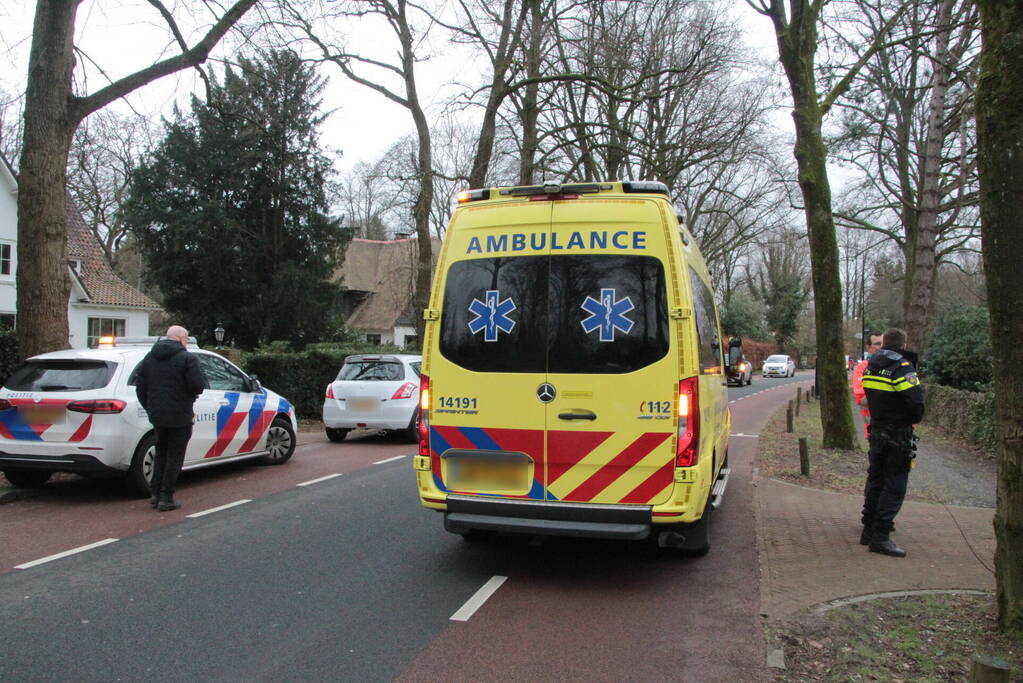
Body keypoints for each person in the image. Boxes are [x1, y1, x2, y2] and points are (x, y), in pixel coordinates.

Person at [859, 328, 924, 557]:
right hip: (898, 434)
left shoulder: (871, 365)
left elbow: (867, 397)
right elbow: (916, 404)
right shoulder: (902, 367)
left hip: (876, 431)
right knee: (894, 485)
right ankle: (881, 537)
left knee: (876, 480)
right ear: (903, 346)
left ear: (884, 343)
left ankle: (868, 529)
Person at [135, 326, 206, 511]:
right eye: (187, 338)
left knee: (161, 453)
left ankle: (155, 494)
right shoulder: (188, 358)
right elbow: (197, 386)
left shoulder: (150, 358)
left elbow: (140, 386)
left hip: (157, 415)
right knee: (175, 456)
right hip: (180, 414)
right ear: (182, 339)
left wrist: (150, 406)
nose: (187, 341)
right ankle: (166, 497)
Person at [852, 331, 884, 438]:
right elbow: (860, 398)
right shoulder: (862, 368)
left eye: (883, 343)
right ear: (869, 348)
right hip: (873, 428)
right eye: (877, 344)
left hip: (897, 430)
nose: (881, 347)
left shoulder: (896, 365)